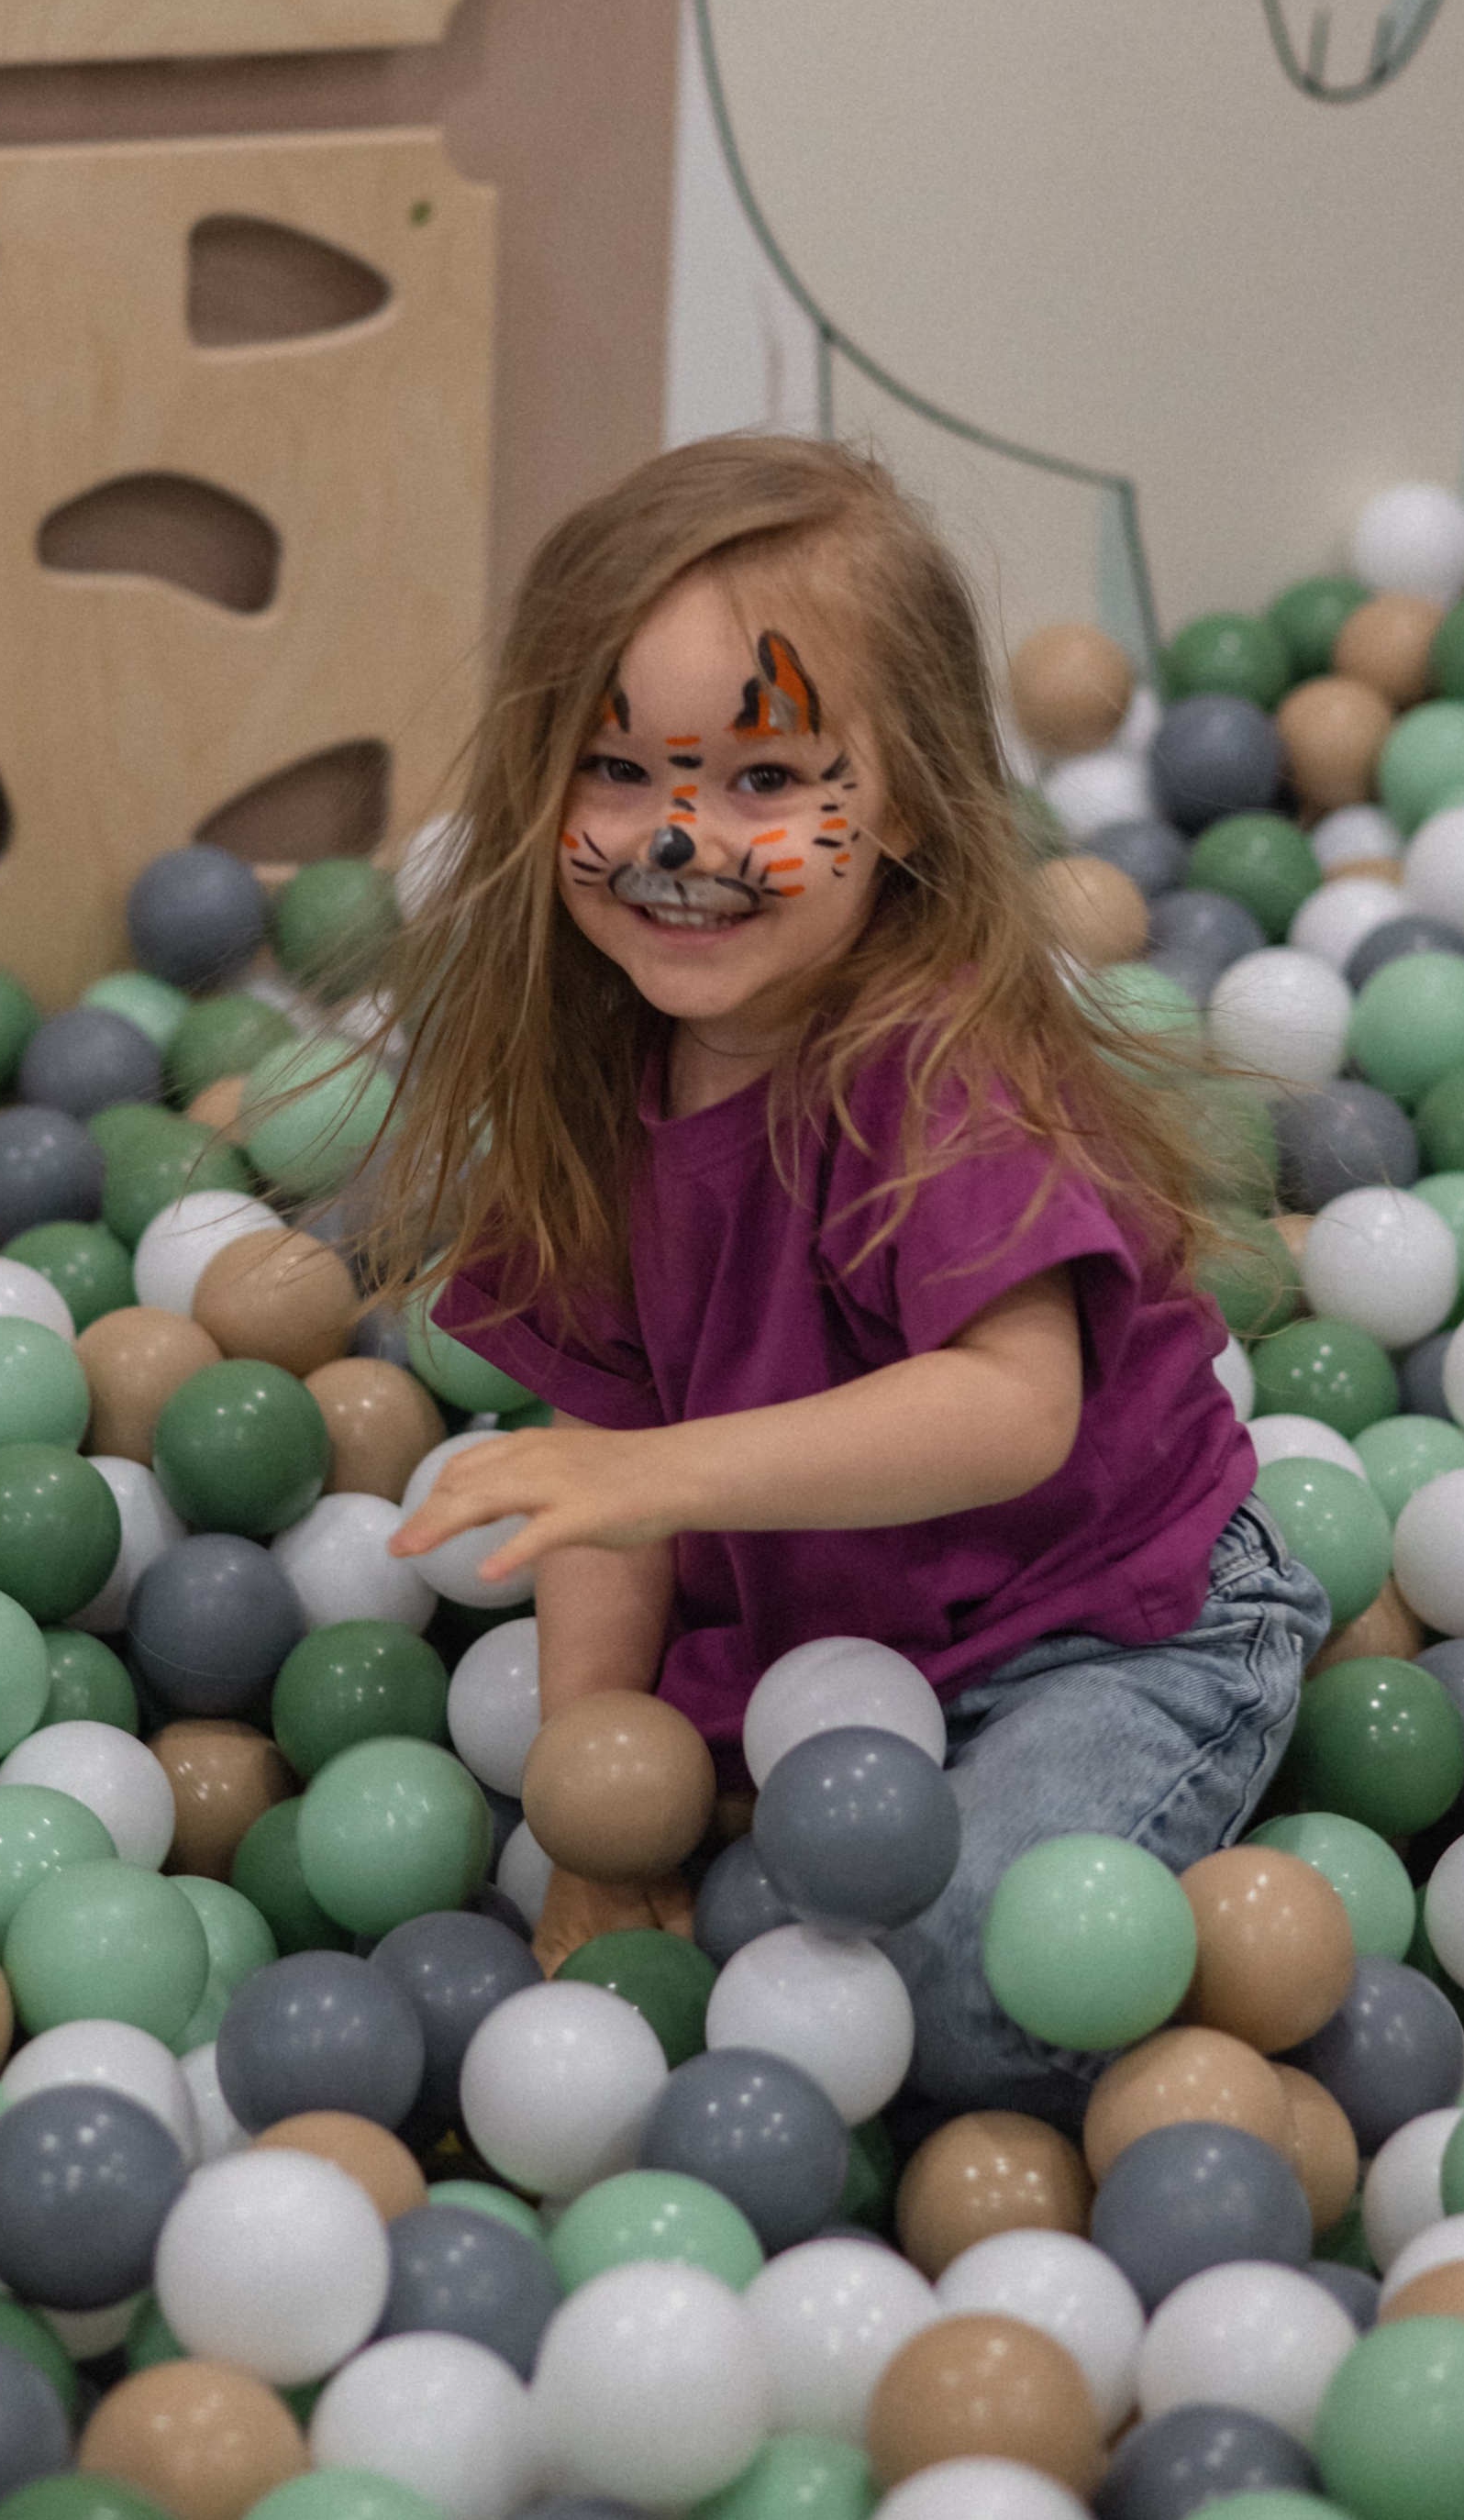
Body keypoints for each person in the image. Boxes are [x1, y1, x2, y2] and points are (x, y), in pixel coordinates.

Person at [377, 433, 1325, 2116]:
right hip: (821, 1634)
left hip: (1109, 1627)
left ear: (901, 800)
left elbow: (1011, 1408)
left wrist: (652, 1471)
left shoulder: (937, 1071)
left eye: (762, 781)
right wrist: (596, 1787)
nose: (679, 840)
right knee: (697, 1956)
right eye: (613, 769)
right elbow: (607, 1482)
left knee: (957, 1984)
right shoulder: (603, 1081)